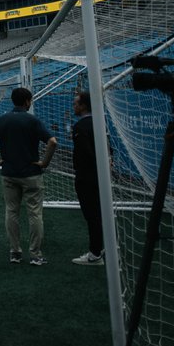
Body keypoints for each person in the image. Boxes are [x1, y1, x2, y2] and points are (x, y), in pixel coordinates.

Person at [0, 87, 58, 266]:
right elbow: (52, 142)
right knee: (35, 214)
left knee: (12, 212)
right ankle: (35, 254)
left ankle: (15, 252)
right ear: (27, 101)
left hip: (9, 173)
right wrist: (44, 162)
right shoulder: (32, 121)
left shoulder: (2, 120)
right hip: (31, 173)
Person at [70, 91, 105, 265]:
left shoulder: (81, 127)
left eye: (76, 103)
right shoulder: (99, 123)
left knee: (92, 215)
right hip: (101, 176)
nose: (73, 106)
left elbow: (86, 154)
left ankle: (95, 254)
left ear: (83, 105)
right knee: (99, 214)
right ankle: (101, 248)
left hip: (87, 177)